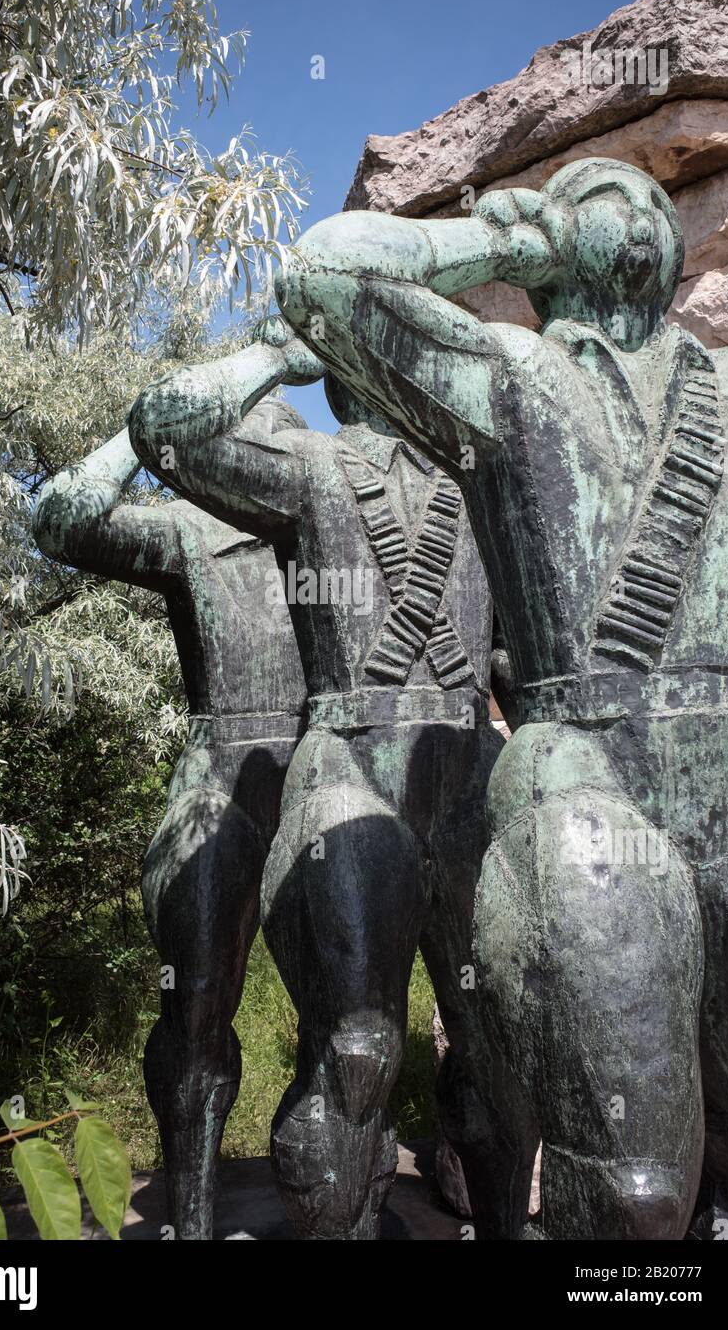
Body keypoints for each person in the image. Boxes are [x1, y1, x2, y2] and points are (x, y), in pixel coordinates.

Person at [266, 155, 728, 1240]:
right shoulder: (512, 374)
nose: (631, 213)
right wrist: (494, 247)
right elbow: (322, 277)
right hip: (583, 766)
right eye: (597, 199)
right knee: (633, 1190)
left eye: (647, 202)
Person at [128, 320, 537, 1240]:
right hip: (351, 771)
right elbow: (164, 430)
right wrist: (276, 354)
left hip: (467, 776)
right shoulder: (314, 472)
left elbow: (518, 654)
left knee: (497, 1034)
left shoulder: (485, 488)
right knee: (355, 1048)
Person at [33, 401, 307, 1240]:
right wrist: (142, 426)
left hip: (322, 774)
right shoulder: (192, 530)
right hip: (220, 775)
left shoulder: (337, 518)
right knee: (194, 1006)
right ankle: (190, 1217)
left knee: (350, 1019)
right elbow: (62, 521)